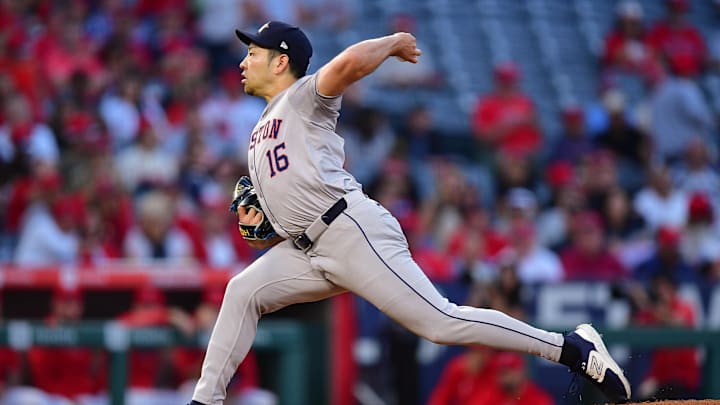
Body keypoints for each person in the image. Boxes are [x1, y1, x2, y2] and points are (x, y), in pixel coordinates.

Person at [187, 21, 631, 405]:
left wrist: (394, 41)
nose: (243, 62)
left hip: (349, 229)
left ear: (280, 61)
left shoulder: (302, 97)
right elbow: (279, 215)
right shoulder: (260, 129)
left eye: (253, 53)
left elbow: (345, 66)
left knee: (440, 322)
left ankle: (572, 348)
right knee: (242, 291)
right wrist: (265, 223)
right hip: (306, 248)